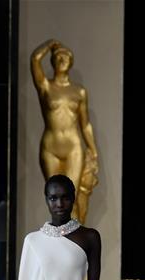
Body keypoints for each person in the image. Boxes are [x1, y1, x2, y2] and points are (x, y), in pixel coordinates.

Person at [31, 39, 99, 224]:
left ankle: (76, 244)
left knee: (72, 199)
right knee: (55, 201)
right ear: (52, 61)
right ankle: (58, 243)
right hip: (50, 146)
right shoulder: (45, 87)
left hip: (73, 147)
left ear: (71, 61)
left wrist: (93, 150)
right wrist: (49, 45)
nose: (62, 58)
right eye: (58, 56)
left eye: (66, 56)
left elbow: (85, 124)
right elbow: (35, 60)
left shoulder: (79, 91)